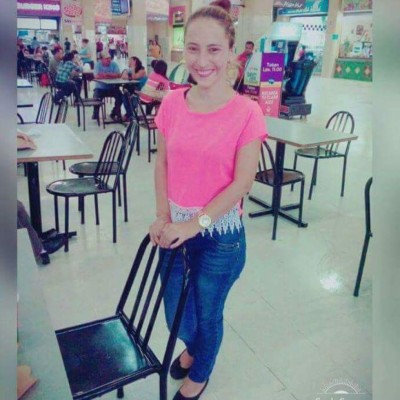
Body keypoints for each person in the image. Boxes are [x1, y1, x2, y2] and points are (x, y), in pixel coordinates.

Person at [149, 1, 267, 399]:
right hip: (174, 228)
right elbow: (162, 162)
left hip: (219, 237)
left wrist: (193, 225)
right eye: (193, 48)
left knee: (208, 311)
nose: (202, 61)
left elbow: (242, 183)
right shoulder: (171, 103)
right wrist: (163, 216)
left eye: (214, 49)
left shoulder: (247, 112)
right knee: (176, 312)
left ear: (231, 51)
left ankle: (199, 372)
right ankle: (194, 347)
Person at [92, 50, 123, 121]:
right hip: (100, 88)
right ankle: (95, 113)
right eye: (106, 59)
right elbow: (96, 76)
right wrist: (112, 75)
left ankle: (115, 112)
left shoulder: (114, 64)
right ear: (101, 59)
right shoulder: (97, 65)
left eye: (109, 58)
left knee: (120, 96)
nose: (109, 60)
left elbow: (119, 75)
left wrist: (106, 74)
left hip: (112, 88)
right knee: (96, 96)